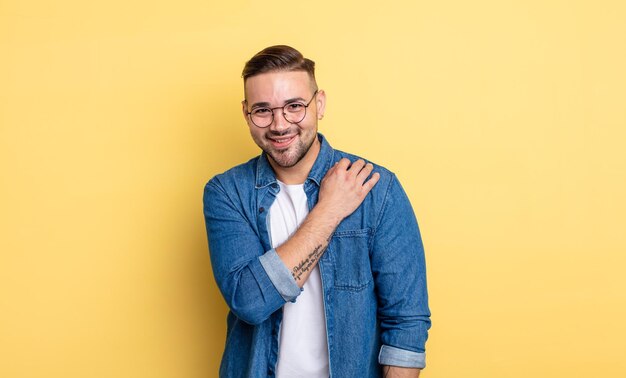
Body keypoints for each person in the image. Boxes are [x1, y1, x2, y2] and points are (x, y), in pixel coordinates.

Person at [203, 45, 431, 378]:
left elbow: (406, 323)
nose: (280, 125)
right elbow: (250, 302)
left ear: (319, 103)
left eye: (294, 106)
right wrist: (330, 210)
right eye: (262, 111)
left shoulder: (376, 189)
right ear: (246, 113)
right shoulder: (227, 193)